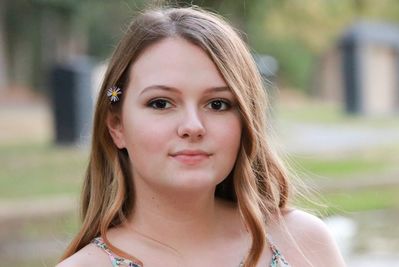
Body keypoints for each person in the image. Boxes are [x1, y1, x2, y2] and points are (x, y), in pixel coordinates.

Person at [56, 5, 345, 267]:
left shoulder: (304, 243)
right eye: (161, 103)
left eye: (217, 104)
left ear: (246, 120)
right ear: (116, 126)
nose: (193, 126)